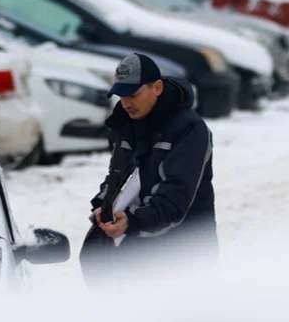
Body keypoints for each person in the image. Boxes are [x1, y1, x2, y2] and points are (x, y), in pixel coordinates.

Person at [81, 52, 216, 286]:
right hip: (135, 249)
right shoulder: (125, 124)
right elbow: (118, 175)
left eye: (133, 95)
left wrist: (132, 222)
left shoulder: (190, 129)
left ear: (158, 87)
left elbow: (175, 196)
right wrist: (104, 204)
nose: (127, 104)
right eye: (121, 96)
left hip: (185, 251)